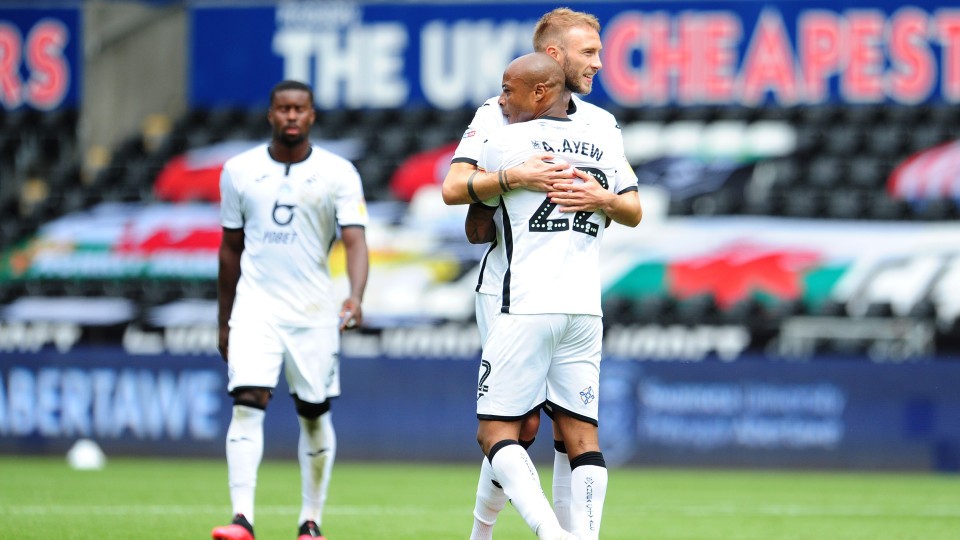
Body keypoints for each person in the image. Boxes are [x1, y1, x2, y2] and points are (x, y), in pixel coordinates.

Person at [441, 8, 637, 539]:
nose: (599, 63)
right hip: (507, 284)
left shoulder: (602, 123)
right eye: (589, 53)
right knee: (530, 425)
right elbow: (456, 187)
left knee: (542, 430)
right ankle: (487, 533)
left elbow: (631, 206)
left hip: (543, 295)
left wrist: (601, 197)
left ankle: (552, 534)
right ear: (555, 57)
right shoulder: (499, 115)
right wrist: (513, 176)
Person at [211, 80, 369, 540]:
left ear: (312, 115)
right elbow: (229, 250)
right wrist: (224, 320)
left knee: (314, 412)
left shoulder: (338, 173)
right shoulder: (238, 171)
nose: (292, 116)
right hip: (255, 307)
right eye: (284, 109)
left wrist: (355, 295)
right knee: (247, 403)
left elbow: (356, 241)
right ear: (271, 114)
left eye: (300, 108)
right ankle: (242, 519)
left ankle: (310, 521)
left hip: (314, 310)